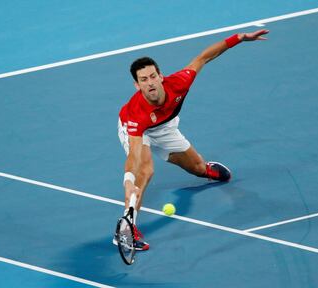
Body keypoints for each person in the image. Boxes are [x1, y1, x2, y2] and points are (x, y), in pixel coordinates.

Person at [115, 29, 269, 250]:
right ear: (137, 86)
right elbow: (134, 155)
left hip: (165, 126)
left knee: (197, 167)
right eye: (143, 80)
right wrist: (129, 181)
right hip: (139, 131)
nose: (149, 83)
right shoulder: (136, 113)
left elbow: (204, 57)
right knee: (145, 170)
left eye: (152, 76)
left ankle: (205, 170)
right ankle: (128, 227)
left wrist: (239, 38)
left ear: (160, 76)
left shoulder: (179, 82)